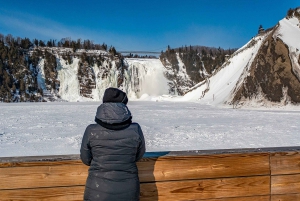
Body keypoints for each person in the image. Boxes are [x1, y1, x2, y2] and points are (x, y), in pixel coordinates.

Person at [80, 87, 146, 201]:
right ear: (124, 105)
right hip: (128, 189)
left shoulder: (91, 130)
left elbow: (86, 159)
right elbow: (139, 155)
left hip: (97, 190)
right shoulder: (135, 129)